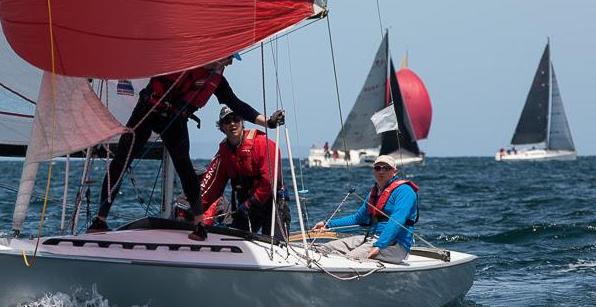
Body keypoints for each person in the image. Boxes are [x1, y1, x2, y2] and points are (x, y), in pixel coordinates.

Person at [88, 55, 284, 232]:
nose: (230, 63)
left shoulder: (218, 82)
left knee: (184, 167)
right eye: (227, 58)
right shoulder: (183, 59)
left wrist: (268, 122)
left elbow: (237, 104)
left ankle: (198, 224)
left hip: (174, 119)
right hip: (147, 111)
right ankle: (100, 220)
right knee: (120, 162)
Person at [197, 105, 290, 241]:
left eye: (236, 119)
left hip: (272, 203)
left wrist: (250, 204)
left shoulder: (264, 145)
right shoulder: (224, 154)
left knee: (276, 244)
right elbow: (212, 187)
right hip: (246, 206)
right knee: (232, 238)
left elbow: (269, 182)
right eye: (227, 121)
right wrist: (195, 210)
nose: (232, 124)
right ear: (221, 127)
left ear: (242, 122)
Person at [311, 155, 418, 264]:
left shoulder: (405, 191)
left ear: (394, 171)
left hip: (395, 245)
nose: (381, 171)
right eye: (378, 168)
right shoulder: (374, 193)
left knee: (349, 260)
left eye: (386, 168)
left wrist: (379, 246)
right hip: (371, 239)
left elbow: (397, 221)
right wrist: (327, 224)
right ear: (374, 171)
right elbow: (357, 218)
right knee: (324, 248)